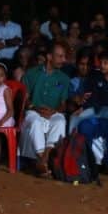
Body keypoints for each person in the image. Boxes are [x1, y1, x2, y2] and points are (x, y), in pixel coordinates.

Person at [19, 42, 71, 176]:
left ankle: (43, 160)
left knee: (60, 121)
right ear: (49, 57)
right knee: (35, 121)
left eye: (64, 56)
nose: (63, 60)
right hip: (33, 111)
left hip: (53, 113)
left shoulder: (64, 78)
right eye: (60, 56)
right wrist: (34, 107)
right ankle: (43, 161)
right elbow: (25, 99)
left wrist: (54, 111)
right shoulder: (31, 73)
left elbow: (64, 103)